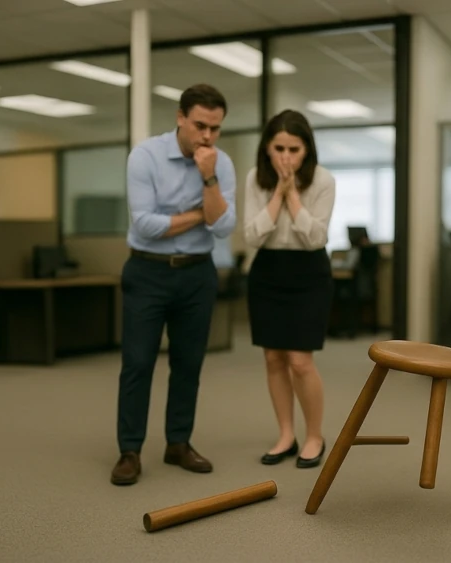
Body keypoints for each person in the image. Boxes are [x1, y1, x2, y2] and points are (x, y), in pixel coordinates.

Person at [110, 84, 236, 486]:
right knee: (138, 363)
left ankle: (178, 443)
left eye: (215, 128)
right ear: (180, 117)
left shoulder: (220, 163)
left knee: (188, 365)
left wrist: (209, 177)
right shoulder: (144, 156)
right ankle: (129, 450)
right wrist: (202, 214)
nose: (207, 136)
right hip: (147, 273)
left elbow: (225, 228)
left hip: (197, 274)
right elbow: (145, 226)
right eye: (200, 125)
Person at [244, 110, 336, 469]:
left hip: (308, 272)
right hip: (268, 270)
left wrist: (292, 194)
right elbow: (252, 235)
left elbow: (316, 237)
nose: (285, 157)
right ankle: (286, 434)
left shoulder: (323, 181)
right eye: (278, 148)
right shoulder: (255, 178)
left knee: (300, 361)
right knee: (273, 358)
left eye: (294, 149)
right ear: (267, 148)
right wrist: (275, 196)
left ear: (307, 150)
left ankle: (314, 436)